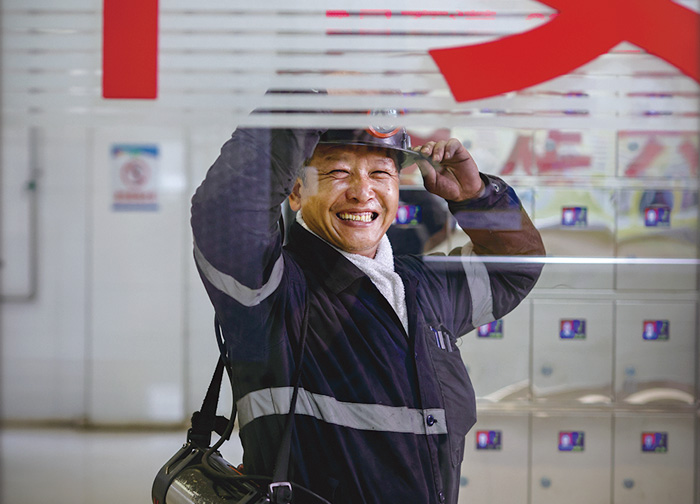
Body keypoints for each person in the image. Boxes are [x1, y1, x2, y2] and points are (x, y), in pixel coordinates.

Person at [190, 122, 545, 504]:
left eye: (380, 173)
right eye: (338, 172)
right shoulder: (273, 290)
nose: (362, 192)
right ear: (296, 191)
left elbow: (515, 268)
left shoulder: (423, 287)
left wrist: (477, 198)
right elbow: (226, 215)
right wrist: (312, 99)